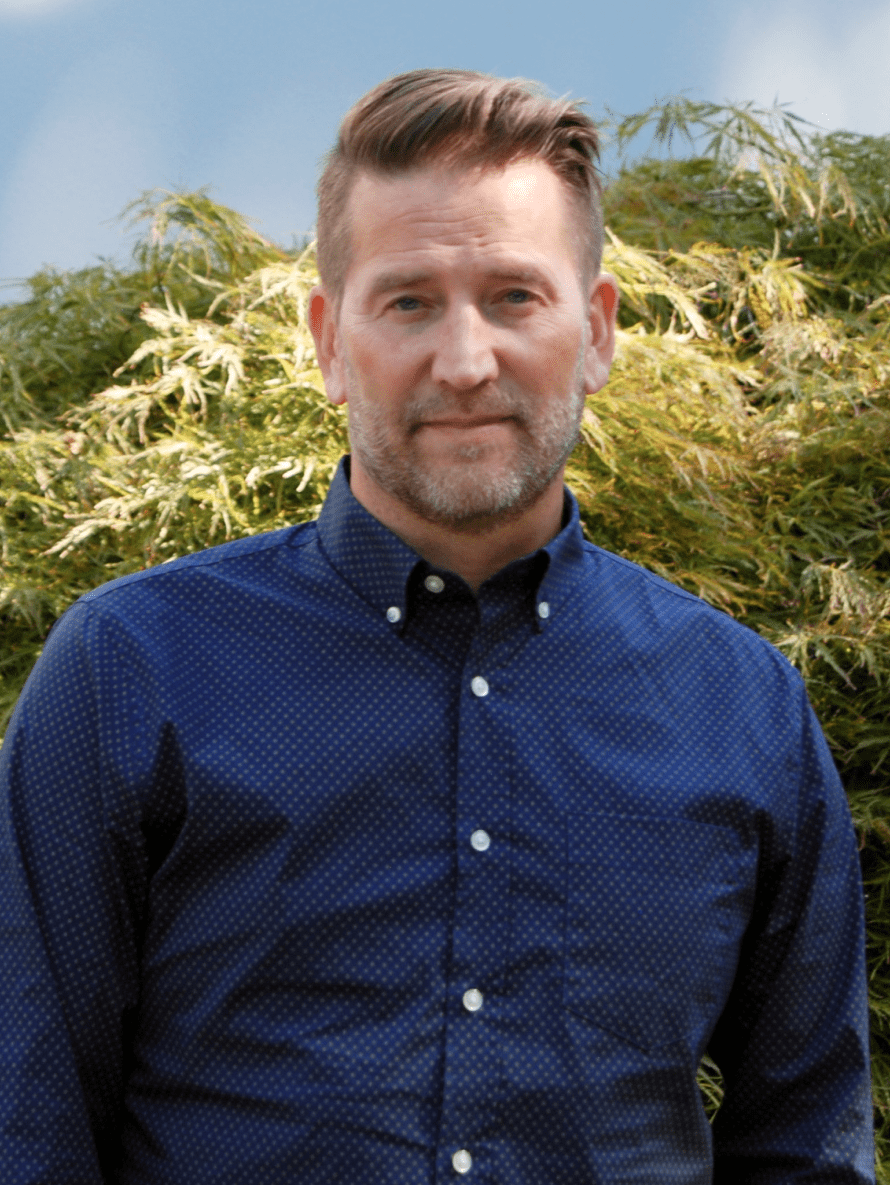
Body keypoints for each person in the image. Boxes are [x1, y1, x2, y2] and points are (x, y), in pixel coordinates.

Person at [0, 68, 874, 1185]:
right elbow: (26, 1127)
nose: (465, 362)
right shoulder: (128, 671)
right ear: (326, 340)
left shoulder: (739, 705)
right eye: (407, 300)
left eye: (514, 296)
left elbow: (805, 1149)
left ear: (596, 331)